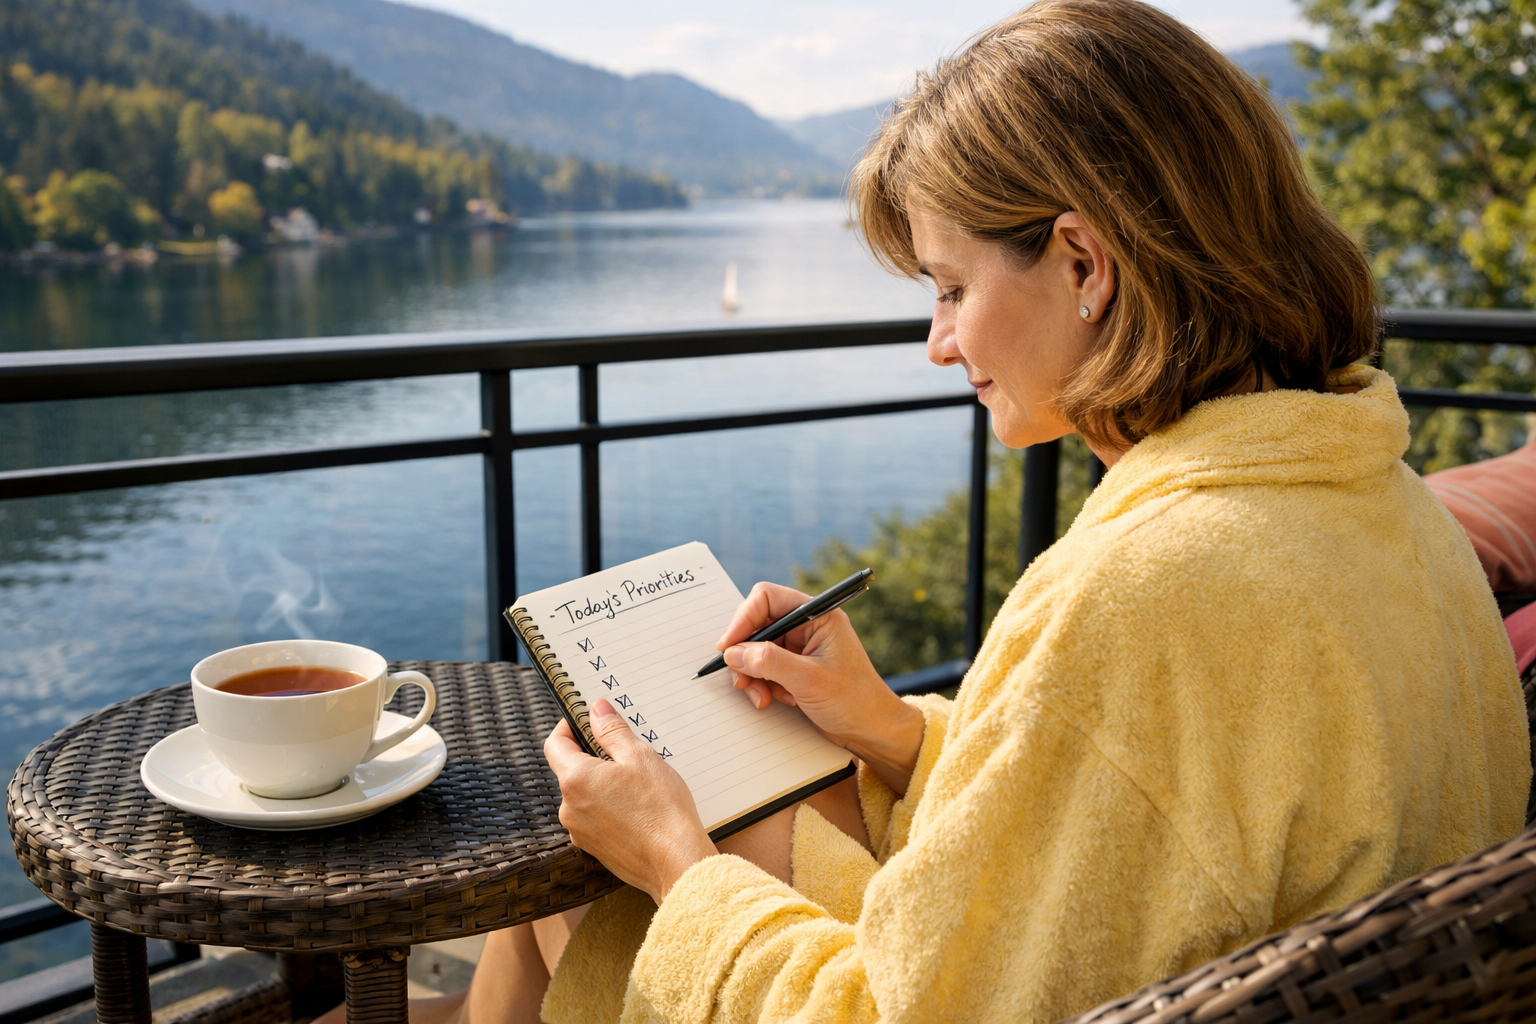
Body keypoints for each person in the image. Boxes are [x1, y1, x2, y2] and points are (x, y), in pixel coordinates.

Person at [358, 1, 1532, 1021]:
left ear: (1085, 263)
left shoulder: (1143, 588)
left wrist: (673, 860)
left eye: (954, 288)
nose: (937, 343)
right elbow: (1161, 812)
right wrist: (892, 727)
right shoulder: (1377, 502)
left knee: (602, 865)